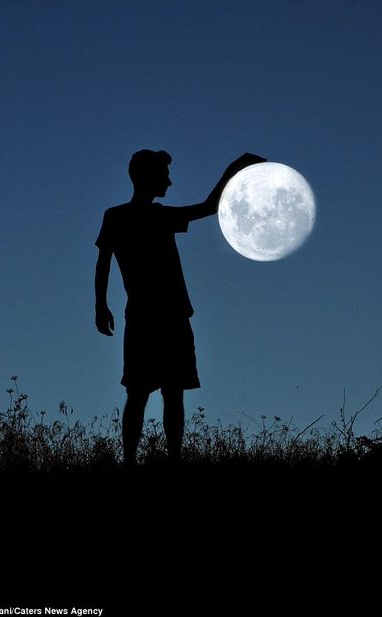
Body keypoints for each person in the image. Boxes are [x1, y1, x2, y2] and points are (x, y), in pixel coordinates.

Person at [95, 149, 266, 466]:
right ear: (148, 177)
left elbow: (209, 207)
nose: (170, 182)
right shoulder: (134, 217)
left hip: (160, 316)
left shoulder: (138, 216)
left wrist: (101, 305)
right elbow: (209, 207)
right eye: (165, 175)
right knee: (151, 393)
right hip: (157, 317)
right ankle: (145, 461)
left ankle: (152, 461)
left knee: (155, 392)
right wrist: (232, 167)